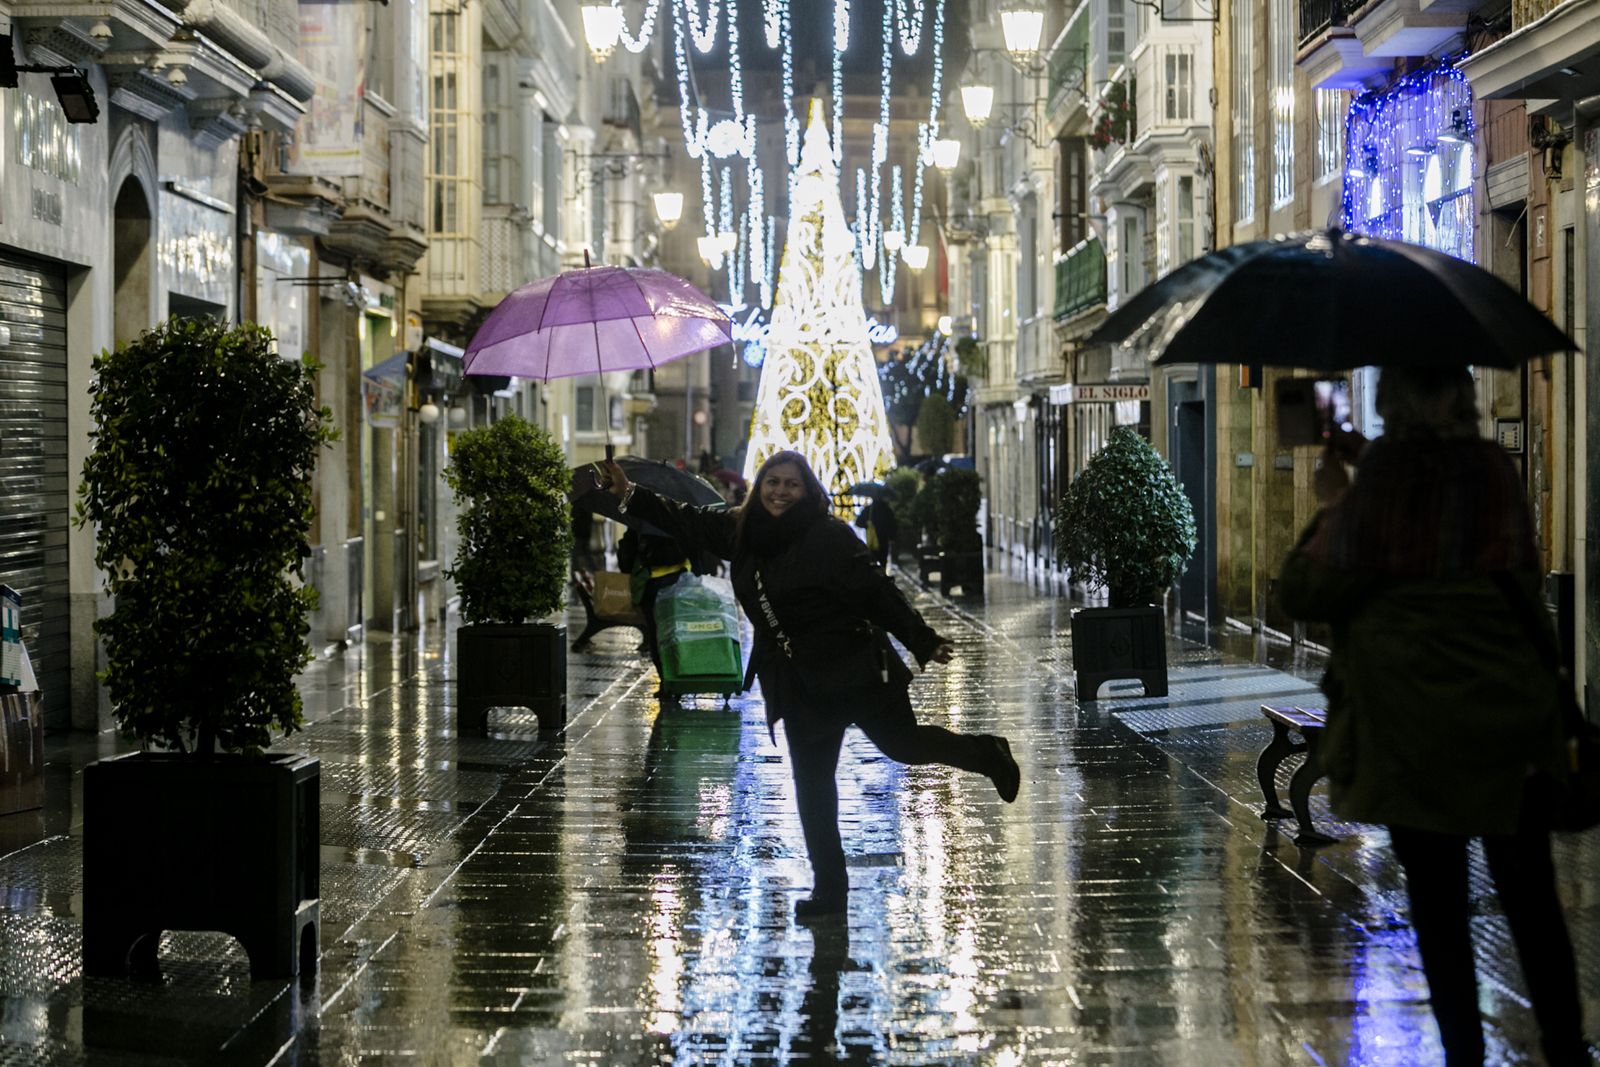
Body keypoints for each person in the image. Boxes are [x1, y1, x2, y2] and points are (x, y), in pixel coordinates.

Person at [1276, 366, 1585, 1066]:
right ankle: (1569, 1053)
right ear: (1463, 397)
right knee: (1532, 903)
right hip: (1511, 721)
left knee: (1441, 912)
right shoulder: (1492, 471)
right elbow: (1508, 567)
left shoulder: (1382, 483)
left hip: (1415, 730)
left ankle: (1466, 1057)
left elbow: (1304, 588)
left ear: (1394, 401)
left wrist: (1334, 503)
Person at [596, 449, 1021, 918]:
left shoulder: (829, 536)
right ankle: (830, 894)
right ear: (760, 487)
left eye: (791, 484)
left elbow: (876, 592)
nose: (780, 492)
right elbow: (687, 520)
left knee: (904, 746)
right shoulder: (743, 530)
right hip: (798, 681)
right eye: (772, 482)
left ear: (807, 490)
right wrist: (629, 495)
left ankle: (987, 754)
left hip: (856, 668)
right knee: (813, 786)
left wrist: (921, 639)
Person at [615, 526, 694, 702]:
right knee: (678, 633)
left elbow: (626, 561)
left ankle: (666, 682)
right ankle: (678, 679)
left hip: (651, 585)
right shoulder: (679, 517)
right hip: (681, 581)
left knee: (657, 636)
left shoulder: (641, 522)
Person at [853, 489, 899, 569]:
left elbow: (858, 523)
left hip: (871, 540)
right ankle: (883, 577)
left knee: (872, 561)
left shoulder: (868, 509)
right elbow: (893, 525)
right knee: (883, 561)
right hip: (884, 540)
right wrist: (893, 538)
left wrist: (867, 526)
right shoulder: (887, 510)